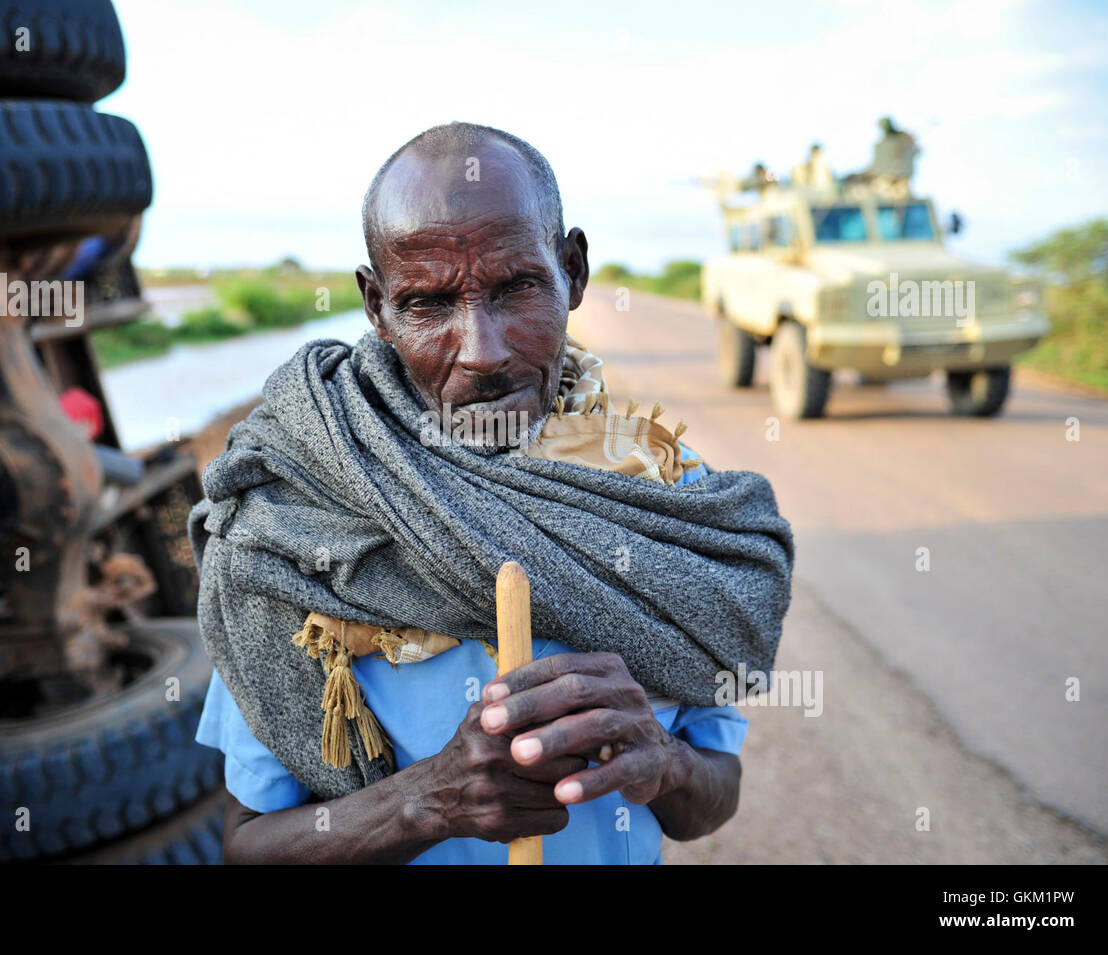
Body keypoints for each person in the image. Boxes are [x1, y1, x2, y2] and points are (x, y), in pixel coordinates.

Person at [189, 122, 794, 864]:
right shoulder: (297, 505)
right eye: (428, 304)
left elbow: (710, 799)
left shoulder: (664, 497)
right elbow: (250, 845)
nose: (484, 350)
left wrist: (662, 759)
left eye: (516, 287)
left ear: (572, 269)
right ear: (376, 308)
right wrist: (427, 801)